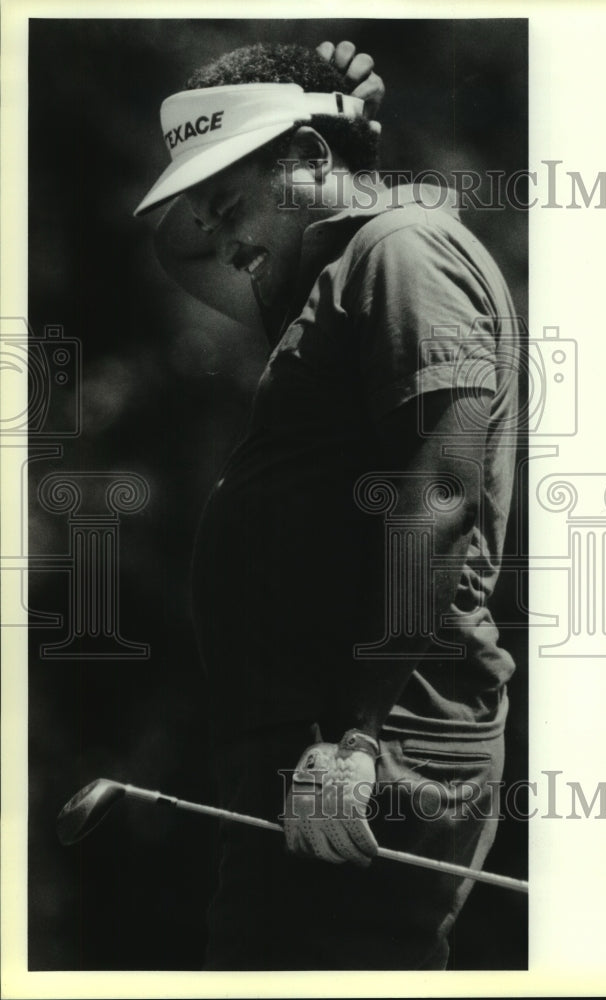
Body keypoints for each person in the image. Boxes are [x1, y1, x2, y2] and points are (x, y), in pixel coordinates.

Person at [135, 39, 520, 970]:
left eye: (228, 203)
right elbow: (186, 257)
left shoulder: (402, 252)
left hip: (366, 741)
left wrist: (355, 740)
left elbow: (434, 495)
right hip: (325, 741)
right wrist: (331, 142)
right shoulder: (350, 265)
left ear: (308, 161)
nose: (222, 240)